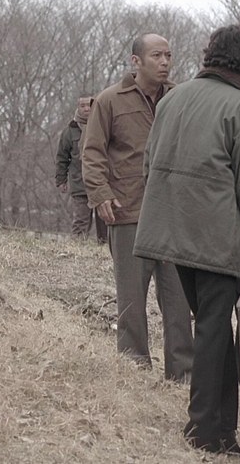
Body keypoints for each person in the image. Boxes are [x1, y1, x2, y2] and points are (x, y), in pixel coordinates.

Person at [133, 24, 240, 454]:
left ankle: (221, 431)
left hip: (172, 232)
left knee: (214, 329)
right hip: (216, 238)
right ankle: (203, 431)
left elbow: (148, 165)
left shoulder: (173, 98)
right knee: (215, 331)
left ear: (209, 54)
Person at [81, 33, 194, 383]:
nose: (165, 62)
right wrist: (100, 194)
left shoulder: (180, 98)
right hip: (127, 211)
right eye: (157, 55)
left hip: (174, 213)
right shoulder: (109, 100)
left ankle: (183, 374)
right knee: (131, 298)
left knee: (179, 300)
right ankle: (134, 371)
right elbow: (93, 152)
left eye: (168, 55)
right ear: (136, 61)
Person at [55, 94, 107, 243]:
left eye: (89, 105)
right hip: (80, 183)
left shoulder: (103, 126)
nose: (86, 109)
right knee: (81, 220)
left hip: (101, 181)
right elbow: (62, 157)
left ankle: (105, 247)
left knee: (105, 220)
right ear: (77, 107)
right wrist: (61, 180)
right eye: (82, 105)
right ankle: (77, 247)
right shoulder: (70, 131)